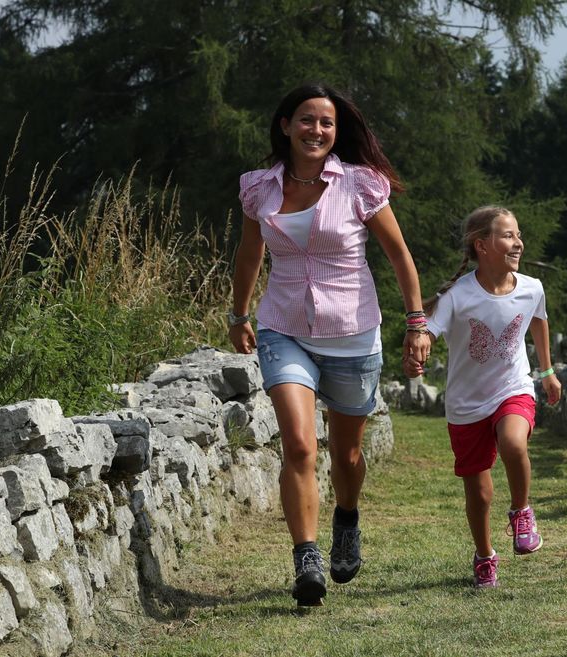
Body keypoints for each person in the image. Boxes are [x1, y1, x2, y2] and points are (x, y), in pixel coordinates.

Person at [229, 83, 430, 606]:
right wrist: (239, 312)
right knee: (298, 444)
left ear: (337, 132)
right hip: (283, 327)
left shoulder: (361, 184)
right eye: (306, 120)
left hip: (352, 331)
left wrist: (416, 322)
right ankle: (307, 560)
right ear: (285, 125)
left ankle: (347, 516)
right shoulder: (259, 189)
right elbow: (250, 254)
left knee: (348, 453)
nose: (316, 130)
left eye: (327, 123)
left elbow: (399, 256)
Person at [405, 205, 561, 589]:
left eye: (518, 234)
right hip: (466, 403)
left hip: (513, 388)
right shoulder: (458, 296)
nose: (518, 242)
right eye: (508, 235)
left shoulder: (531, 288)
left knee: (513, 441)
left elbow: (539, 320)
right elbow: (429, 330)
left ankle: (522, 511)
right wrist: (417, 350)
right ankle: (485, 555)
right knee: (479, 493)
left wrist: (547, 371)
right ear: (482, 245)